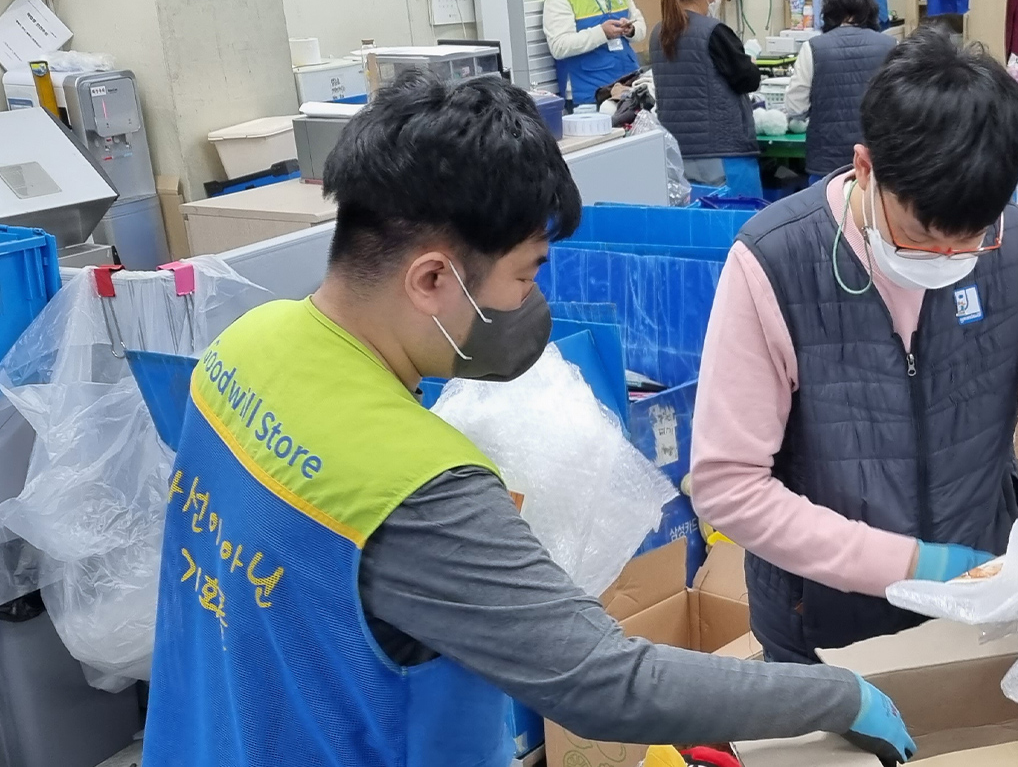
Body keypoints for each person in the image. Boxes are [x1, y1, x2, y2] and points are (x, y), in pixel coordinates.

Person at [140, 71, 917, 767]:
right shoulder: (415, 489)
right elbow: (607, 683)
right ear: (434, 278)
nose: (529, 304)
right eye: (525, 273)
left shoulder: (243, 349)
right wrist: (836, 695)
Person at [690, 27, 1018, 665]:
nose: (950, 258)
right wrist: (910, 564)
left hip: (980, 605)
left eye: (972, 234)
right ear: (866, 169)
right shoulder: (774, 263)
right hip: (823, 630)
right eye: (924, 232)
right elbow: (729, 484)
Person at [652, 0, 763, 197]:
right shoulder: (714, 32)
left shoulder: (659, 33)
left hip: (676, 152)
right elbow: (747, 80)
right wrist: (750, 62)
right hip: (721, 153)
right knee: (739, 223)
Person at [785, 0, 897, 179]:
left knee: (828, 211)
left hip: (826, 165)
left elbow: (795, 107)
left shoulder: (813, 48)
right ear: (868, 4)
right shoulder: (890, 47)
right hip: (876, 164)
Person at [544, 0, 644, 109]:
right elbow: (559, 46)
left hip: (627, 85)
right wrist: (602, 33)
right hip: (590, 94)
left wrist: (631, 30)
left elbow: (640, 25)